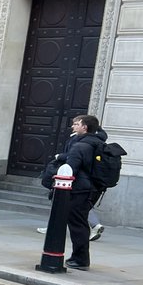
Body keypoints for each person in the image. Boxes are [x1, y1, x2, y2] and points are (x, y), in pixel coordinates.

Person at [60, 114, 105, 270]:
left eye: (76, 124)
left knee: (77, 224)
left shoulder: (80, 146)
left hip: (79, 189)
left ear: (85, 127)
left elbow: (69, 169)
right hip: (93, 188)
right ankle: (80, 257)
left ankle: (80, 259)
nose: (73, 127)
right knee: (81, 223)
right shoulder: (97, 143)